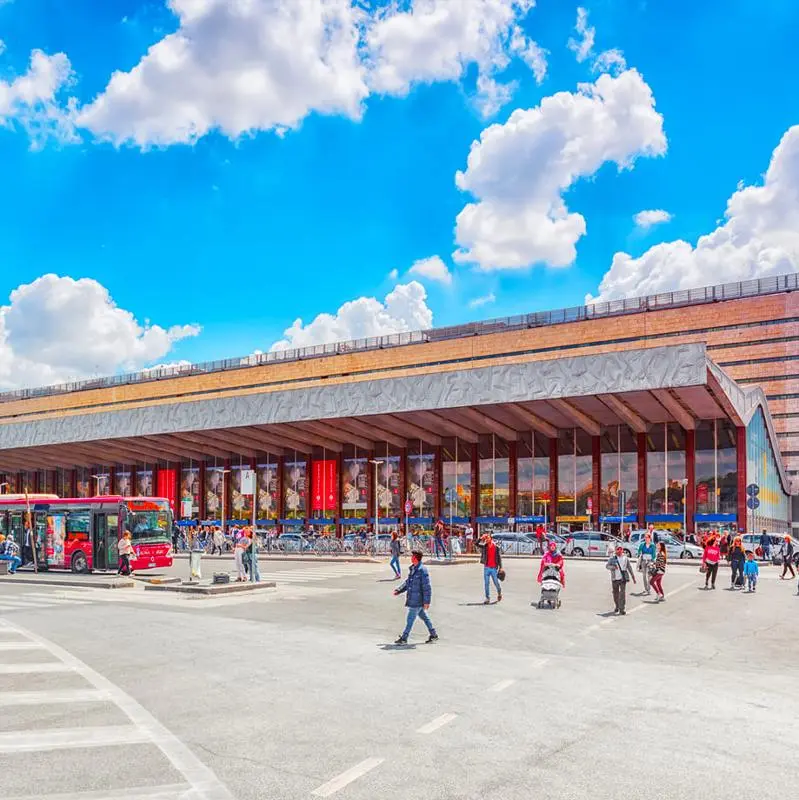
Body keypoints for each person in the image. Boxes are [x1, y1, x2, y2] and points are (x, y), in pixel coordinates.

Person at [393, 551, 438, 645]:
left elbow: (427, 587)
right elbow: (408, 582)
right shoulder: (413, 568)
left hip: (417, 600)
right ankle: (433, 635)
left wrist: (427, 602)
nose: (411, 558)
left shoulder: (422, 570)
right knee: (425, 617)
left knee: (410, 619)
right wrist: (399, 590)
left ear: (416, 558)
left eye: (412, 556)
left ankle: (404, 638)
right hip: (413, 598)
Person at [606, 545, 636, 615]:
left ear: (622, 550)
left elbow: (629, 567)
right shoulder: (612, 558)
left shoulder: (625, 558)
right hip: (614, 579)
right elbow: (607, 566)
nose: (619, 551)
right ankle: (617, 605)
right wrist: (613, 567)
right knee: (615, 594)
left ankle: (622, 608)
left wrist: (633, 577)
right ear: (616, 550)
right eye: (618, 549)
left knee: (622, 594)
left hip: (623, 578)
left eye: (620, 549)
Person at [477, 532, 503, 604]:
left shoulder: (496, 547)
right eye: (485, 539)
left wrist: (501, 567)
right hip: (486, 568)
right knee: (486, 583)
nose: (486, 540)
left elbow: (499, 557)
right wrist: (481, 538)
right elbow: (476, 544)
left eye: (487, 538)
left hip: (494, 568)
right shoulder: (485, 546)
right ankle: (487, 598)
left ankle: (499, 593)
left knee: (496, 583)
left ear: (491, 539)